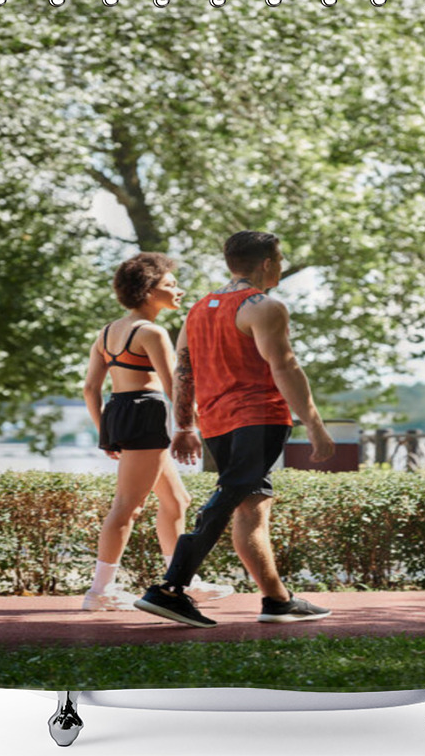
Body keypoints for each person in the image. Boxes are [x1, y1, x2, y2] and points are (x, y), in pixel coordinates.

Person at [134, 231, 335, 627]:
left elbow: (184, 370)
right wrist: (314, 424)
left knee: (251, 508)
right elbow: (285, 366)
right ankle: (170, 588)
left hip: (216, 424)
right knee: (228, 499)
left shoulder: (198, 309)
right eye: (278, 259)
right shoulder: (265, 307)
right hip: (258, 419)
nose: (279, 266)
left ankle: (277, 601)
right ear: (267, 263)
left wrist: (186, 425)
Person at [81, 252, 233, 611]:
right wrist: (191, 425)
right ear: (148, 291)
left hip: (122, 412)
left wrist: (106, 432)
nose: (178, 290)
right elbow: (174, 385)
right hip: (145, 414)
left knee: (176, 501)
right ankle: (100, 591)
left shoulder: (107, 332)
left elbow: (90, 389)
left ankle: (181, 582)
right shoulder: (152, 331)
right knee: (126, 507)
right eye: (170, 285)